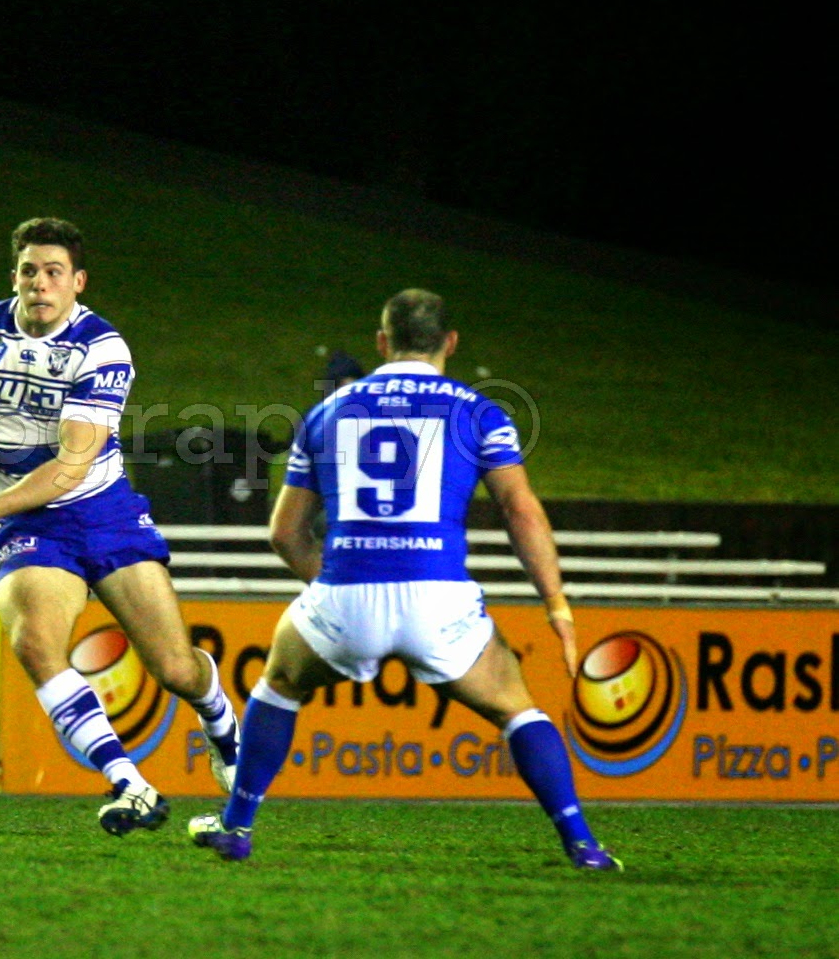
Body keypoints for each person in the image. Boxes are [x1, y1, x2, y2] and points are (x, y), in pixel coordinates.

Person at [187, 289, 621, 870]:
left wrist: (336, 585)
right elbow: (520, 511)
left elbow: (285, 533)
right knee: (516, 707)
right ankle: (582, 843)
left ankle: (237, 826)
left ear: (382, 342)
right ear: (450, 343)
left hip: (346, 596)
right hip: (437, 598)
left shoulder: (328, 411)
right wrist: (557, 604)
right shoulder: (479, 412)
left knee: (281, 682)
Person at [0, 217, 239, 835]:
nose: (39, 283)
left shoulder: (102, 348)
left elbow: (70, 468)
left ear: (78, 282)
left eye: (53, 272)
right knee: (35, 644)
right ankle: (131, 784)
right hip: (31, 523)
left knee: (175, 669)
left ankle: (220, 718)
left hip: (104, 512)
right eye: (29, 271)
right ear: (13, 276)